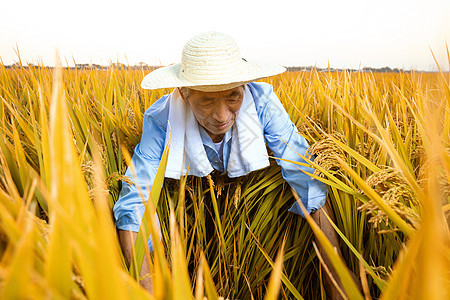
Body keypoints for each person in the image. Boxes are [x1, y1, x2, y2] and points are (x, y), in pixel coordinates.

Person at [113, 31, 354, 299]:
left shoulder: (262, 102)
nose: (222, 116)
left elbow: (307, 177)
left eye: (232, 98)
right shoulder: (162, 119)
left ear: (245, 87)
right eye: (206, 100)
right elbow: (135, 201)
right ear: (184, 93)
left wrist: (337, 278)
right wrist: (147, 289)